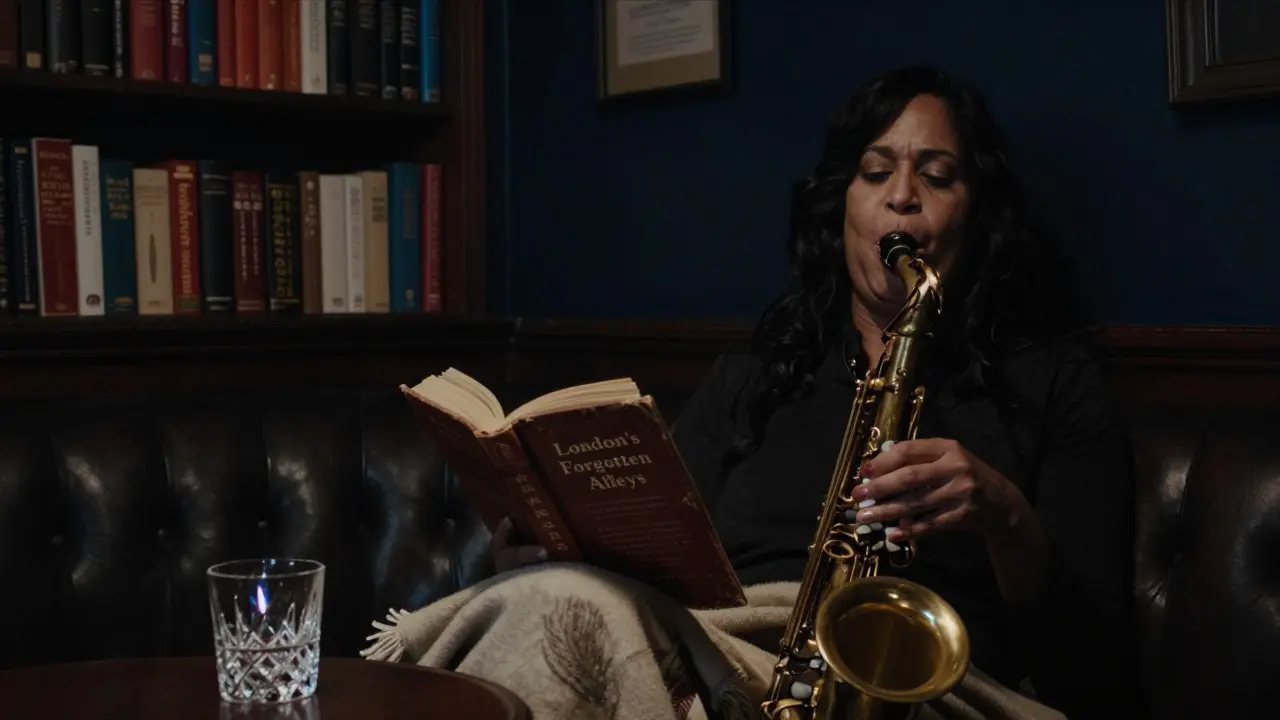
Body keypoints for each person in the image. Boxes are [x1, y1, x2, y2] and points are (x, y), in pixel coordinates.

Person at [375, 66, 1141, 720]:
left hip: (930, 690)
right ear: (840, 204)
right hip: (727, 667)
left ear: (979, 213)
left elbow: (1093, 673)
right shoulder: (753, 378)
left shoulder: (1054, 385)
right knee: (567, 603)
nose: (902, 198)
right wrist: (548, 552)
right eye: (876, 173)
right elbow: (654, 579)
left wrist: (1004, 515)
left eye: (937, 176)